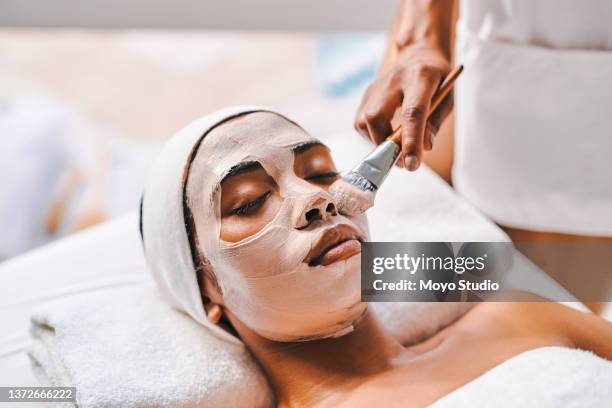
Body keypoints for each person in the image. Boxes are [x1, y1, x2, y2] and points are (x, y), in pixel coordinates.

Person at [140, 108, 612, 407]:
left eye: (322, 173)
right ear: (206, 294)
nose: (317, 201)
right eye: (247, 202)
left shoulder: (521, 319)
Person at [354, 0, 612, 310]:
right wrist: (420, 39)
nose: (316, 207)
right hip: (499, 32)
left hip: (573, 82)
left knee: (542, 299)